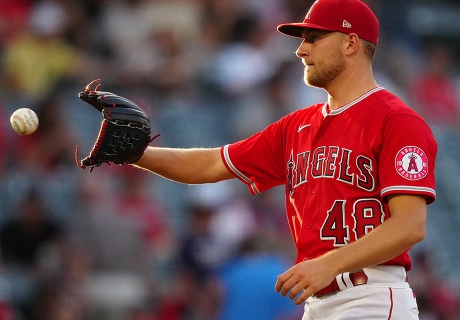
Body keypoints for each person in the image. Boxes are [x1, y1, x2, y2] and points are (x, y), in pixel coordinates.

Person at [130, 0, 437, 318]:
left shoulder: (396, 120)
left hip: (369, 296)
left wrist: (329, 263)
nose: (301, 50)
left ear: (350, 43)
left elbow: (409, 225)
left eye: (314, 38)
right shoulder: (296, 126)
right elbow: (211, 164)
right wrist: (136, 154)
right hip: (318, 301)